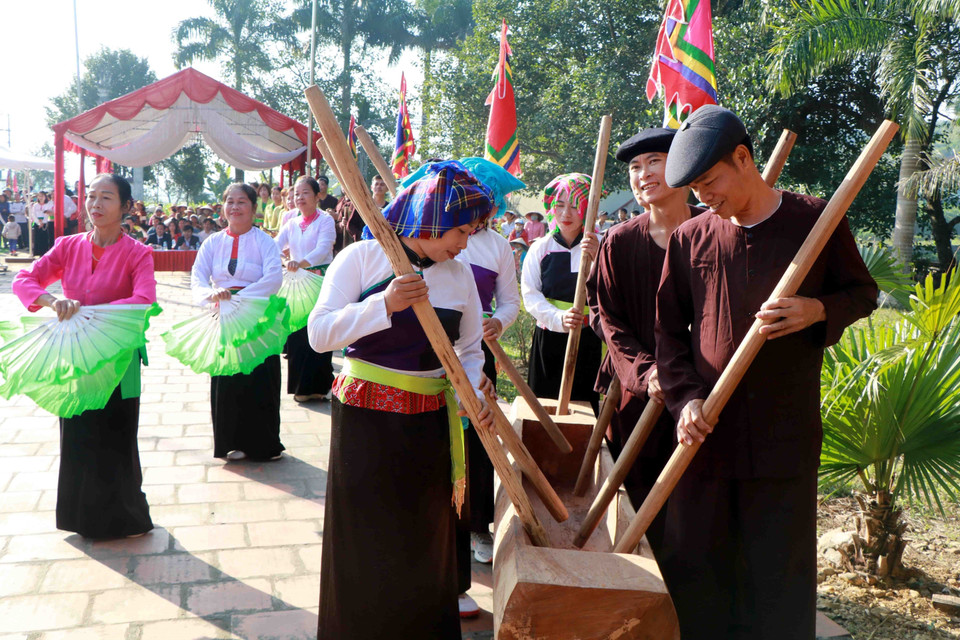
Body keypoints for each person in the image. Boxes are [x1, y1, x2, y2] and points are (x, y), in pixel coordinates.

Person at [655, 105, 878, 639]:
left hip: (784, 432)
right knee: (700, 570)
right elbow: (668, 332)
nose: (706, 198)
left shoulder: (815, 221)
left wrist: (817, 310)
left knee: (778, 575)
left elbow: (864, 294)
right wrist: (684, 399)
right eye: (696, 189)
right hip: (707, 433)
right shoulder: (693, 238)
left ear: (744, 158)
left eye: (711, 182)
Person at [308, 161, 494, 640]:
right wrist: (383, 305)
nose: (465, 243)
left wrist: (472, 391)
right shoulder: (363, 259)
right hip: (365, 421)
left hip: (430, 422)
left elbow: (469, 350)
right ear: (431, 216)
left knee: (423, 538)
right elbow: (319, 334)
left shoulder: (461, 276)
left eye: (473, 232)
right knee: (366, 538)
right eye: (460, 230)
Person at [11, 173, 156, 539]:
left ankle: (124, 519)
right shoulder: (67, 246)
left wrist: (93, 311)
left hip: (119, 359)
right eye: (90, 196)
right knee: (77, 433)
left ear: (125, 207)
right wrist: (52, 299)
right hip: (75, 355)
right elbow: (24, 279)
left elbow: (144, 299)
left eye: (106, 197)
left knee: (117, 435)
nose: (95, 204)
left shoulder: (139, 253)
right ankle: (81, 517)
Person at [588, 128, 698, 561]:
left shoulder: (719, 230)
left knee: (694, 504)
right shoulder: (619, 242)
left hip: (705, 397)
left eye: (654, 160)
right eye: (635, 167)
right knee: (635, 500)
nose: (643, 174)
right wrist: (647, 371)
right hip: (637, 397)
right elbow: (607, 319)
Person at [452, 157, 523, 616]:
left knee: (479, 445)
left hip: (479, 360)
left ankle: (479, 527)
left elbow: (511, 301)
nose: (479, 214)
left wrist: (496, 321)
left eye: (486, 204)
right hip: (436, 362)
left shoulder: (498, 246)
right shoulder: (439, 237)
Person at [190, 183, 286, 461]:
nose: (235, 207)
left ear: (254, 208)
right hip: (224, 315)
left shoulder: (265, 241)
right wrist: (212, 295)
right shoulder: (212, 242)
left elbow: (273, 278)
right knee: (227, 378)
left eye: (242, 202)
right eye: (229, 201)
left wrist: (240, 296)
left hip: (257, 315)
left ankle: (264, 444)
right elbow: (197, 276)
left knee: (260, 378)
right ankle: (229, 441)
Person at [521, 173, 601, 413]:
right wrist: (559, 318)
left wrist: (599, 258)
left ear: (588, 209)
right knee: (544, 406)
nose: (567, 213)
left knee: (584, 407)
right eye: (560, 205)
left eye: (576, 206)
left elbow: (615, 291)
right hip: (549, 339)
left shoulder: (602, 245)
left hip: (588, 338)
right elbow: (530, 294)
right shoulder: (540, 248)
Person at [275, 176, 336, 402]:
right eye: (296, 194)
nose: (299, 198)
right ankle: (301, 388)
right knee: (298, 333)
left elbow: (323, 249)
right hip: (296, 283)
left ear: (317, 195)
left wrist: (300, 263)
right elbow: (276, 246)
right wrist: (284, 260)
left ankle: (321, 386)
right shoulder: (290, 223)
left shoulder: (325, 220)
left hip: (320, 281)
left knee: (318, 329)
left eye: (305, 193)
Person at [30, 191, 54, 255]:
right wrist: (38, 222)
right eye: (39, 196)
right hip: (37, 223)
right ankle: (37, 252)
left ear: (45, 197)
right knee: (37, 238)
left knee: (44, 239)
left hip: (45, 223)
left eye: (42, 196)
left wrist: (43, 222)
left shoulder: (48, 204)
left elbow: (47, 213)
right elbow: (33, 214)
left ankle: (44, 252)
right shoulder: (35, 205)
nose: (41, 198)